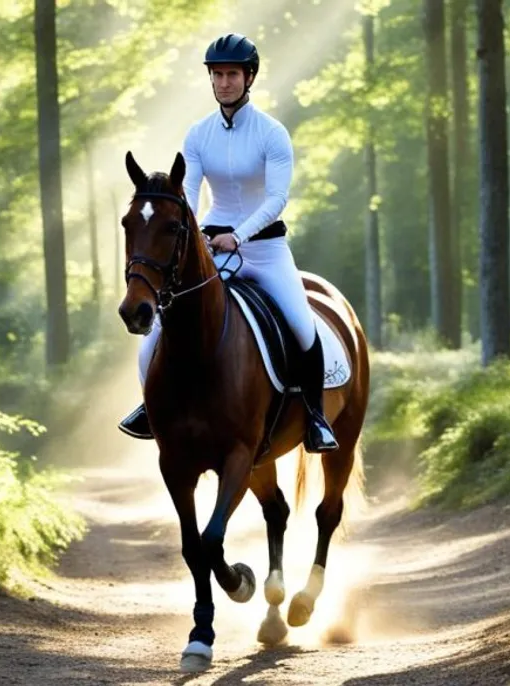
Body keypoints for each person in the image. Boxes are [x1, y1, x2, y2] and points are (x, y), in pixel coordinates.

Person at [118, 32, 338, 454]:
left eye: (232, 74)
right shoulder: (199, 134)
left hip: (266, 249)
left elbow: (276, 198)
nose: (223, 82)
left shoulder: (272, 133)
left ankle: (315, 417)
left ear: (249, 77)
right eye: (217, 75)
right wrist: (200, 235)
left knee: (302, 326)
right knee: (156, 334)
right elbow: (190, 190)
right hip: (213, 247)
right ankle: (149, 409)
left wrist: (239, 235)